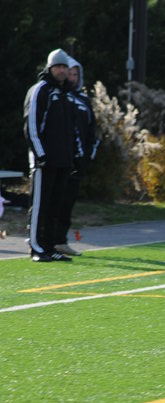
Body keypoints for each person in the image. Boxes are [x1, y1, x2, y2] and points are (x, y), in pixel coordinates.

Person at [24, 48, 81, 262]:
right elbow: (31, 125)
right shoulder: (41, 90)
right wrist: (41, 155)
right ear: (50, 68)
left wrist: (73, 157)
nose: (62, 71)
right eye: (58, 66)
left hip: (63, 162)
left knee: (54, 207)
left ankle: (50, 247)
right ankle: (36, 248)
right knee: (40, 206)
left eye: (65, 67)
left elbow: (73, 129)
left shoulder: (67, 94)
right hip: (44, 162)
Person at [55, 57, 99, 256]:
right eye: (69, 73)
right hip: (59, 159)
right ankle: (43, 240)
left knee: (68, 203)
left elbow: (91, 130)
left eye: (75, 74)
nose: (72, 78)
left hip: (78, 162)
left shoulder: (83, 100)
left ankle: (60, 241)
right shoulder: (57, 96)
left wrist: (87, 155)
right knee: (53, 201)